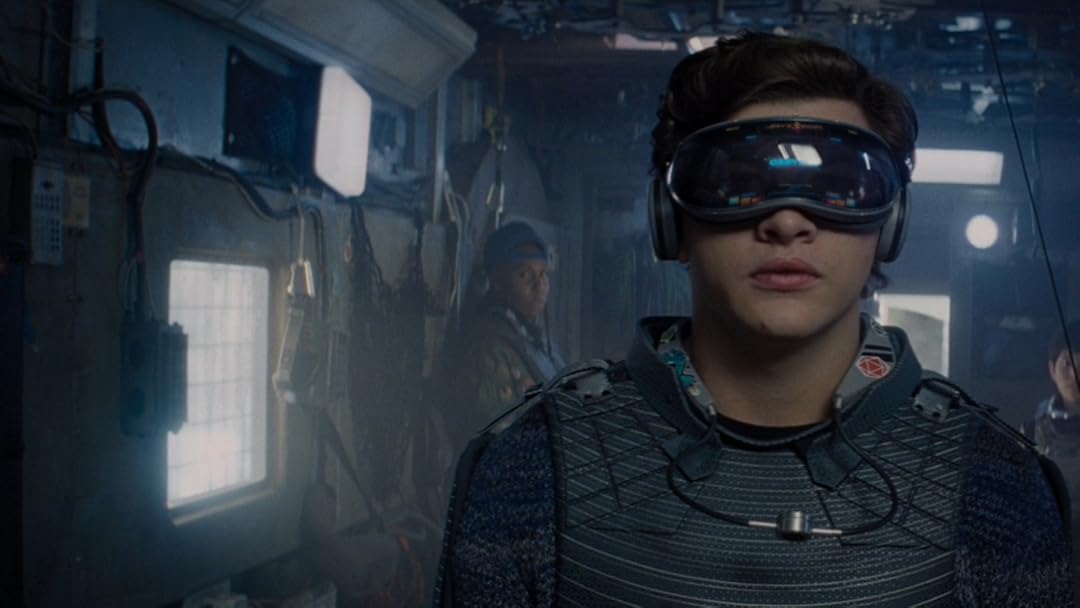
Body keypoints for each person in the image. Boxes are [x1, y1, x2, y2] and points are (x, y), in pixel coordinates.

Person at [434, 31, 1072, 606]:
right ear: (671, 220)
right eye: (737, 183)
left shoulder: (996, 486)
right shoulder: (534, 468)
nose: (787, 221)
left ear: (889, 224)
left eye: (838, 186)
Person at [440, 221, 565, 452]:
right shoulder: (488, 345)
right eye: (524, 274)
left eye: (542, 274)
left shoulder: (533, 338)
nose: (539, 285)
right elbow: (498, 436)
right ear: (497, 282)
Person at [1022, 319, 1080, 597]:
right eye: (1068, 363)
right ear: (1052, 369)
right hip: (1050, 562)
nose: (1076, 374)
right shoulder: (1031, 431)